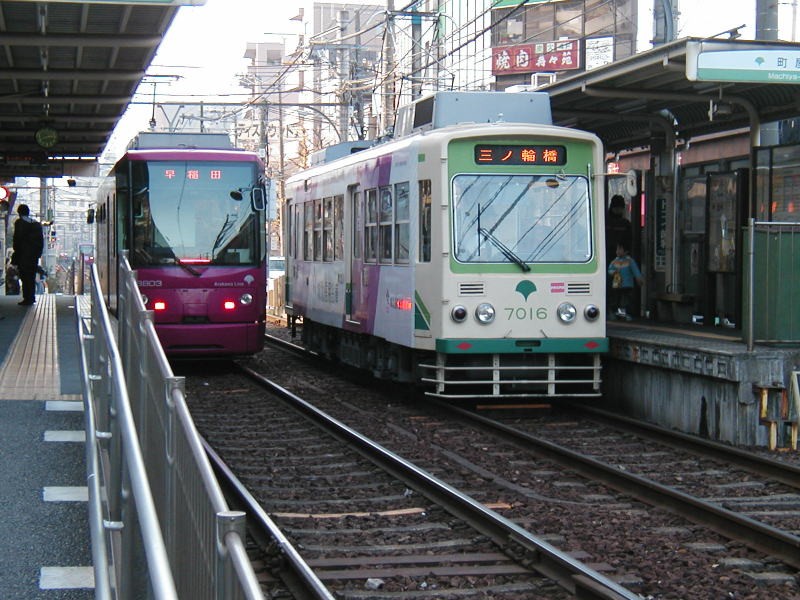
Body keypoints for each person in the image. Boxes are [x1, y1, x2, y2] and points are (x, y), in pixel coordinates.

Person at [11, 204, 44, 306]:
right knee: (31, 276)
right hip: (33, 256)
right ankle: (31, 297)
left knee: (25, 277)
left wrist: (16, 253)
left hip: (23, 255)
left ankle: (27, 298)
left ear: (19, 213)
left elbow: (17, 240)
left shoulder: (19, 223)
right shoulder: (36, 224)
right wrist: (38, 254)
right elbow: (41, 241)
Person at [608, 241, 643, 321]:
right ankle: (615, 314)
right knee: (616, 300)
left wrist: (639, 279)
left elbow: (635, 271)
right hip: (616, 284)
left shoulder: (630, 261)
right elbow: (609, 270)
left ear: (626, 251)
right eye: (617, 249)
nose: (618, 251)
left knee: (625, 301)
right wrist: (613, 272)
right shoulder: (614, 261)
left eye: (620, 249)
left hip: (627, 285)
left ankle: (624, 314)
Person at [605, 194, 632, 263]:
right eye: (616, 208)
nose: (618, 210)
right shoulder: (605, 221)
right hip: (607, 255)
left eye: (620, 208)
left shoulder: (626, 223)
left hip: (621, 256)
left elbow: (630, 241)